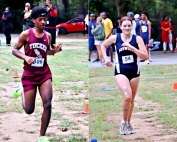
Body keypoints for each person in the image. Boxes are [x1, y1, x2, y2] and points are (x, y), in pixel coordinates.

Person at [12, 6, 62, 142]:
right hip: (30, 74)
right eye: (40, 19)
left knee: (48, 103)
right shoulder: (26, 34)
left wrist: (55, 50)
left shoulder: (48, 35)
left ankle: (42, 136)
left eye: (45, 19)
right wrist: (25, 57)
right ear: (33, 20)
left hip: (44, 73)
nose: (43, 22)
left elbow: (47, 51)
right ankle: (22, 92)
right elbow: (14, 50)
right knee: (29, 110)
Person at [101, 16, 148, 135]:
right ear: (121, 26)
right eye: (124, 25)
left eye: (129, 25)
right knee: (127, 96)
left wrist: (132, 48)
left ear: (132, 26)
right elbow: (103, 45)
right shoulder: (116, 38)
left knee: (131, 99)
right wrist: (106, 58)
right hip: (120, 71)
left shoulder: (137, 39)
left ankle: (128, 122)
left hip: (135, 72)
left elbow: (145, 56)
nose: (127, 27)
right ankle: (123, 122)